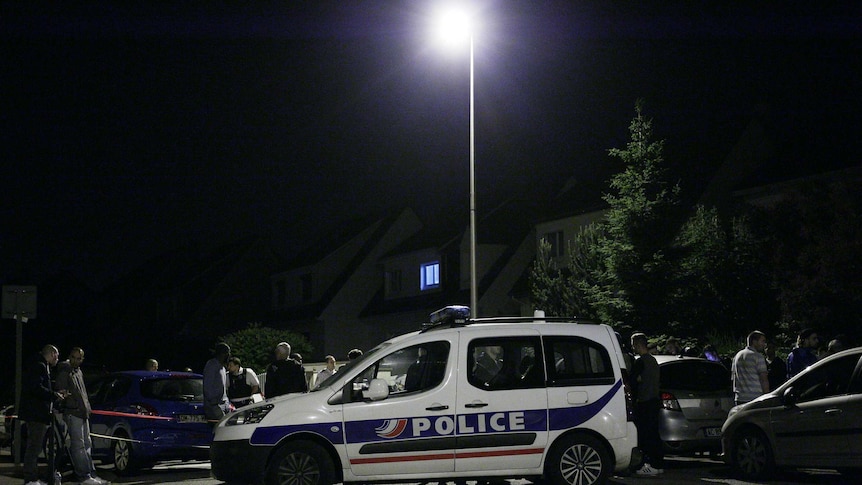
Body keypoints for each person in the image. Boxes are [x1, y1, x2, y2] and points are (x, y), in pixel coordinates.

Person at [55, 347, 108, 485]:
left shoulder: (78, 371)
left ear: (82, 359)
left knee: (86, 443)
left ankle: (90, 474)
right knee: (79, 445)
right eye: (73, 357)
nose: (76, 360)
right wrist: (70, 405)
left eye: (79, 358)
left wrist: (86, 408)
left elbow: (83, 393)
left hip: (82, 413)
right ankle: (84, 476)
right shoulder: (65, 371)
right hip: (74, 412)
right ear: (70, 356)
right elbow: (61, 392)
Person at [20, 345, 65, 485]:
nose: (58, 358)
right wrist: (53, 395)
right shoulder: (39, 366)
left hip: (37, 413)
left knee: (35, 446)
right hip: (36, 414)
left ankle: (32, 478)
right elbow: (36, 388)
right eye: (57, 355)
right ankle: (31, 479)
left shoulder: (40, 365)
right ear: (52, 354)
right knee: (34, 447)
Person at [630, 333, 664, 476]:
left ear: (637, 344)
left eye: (633, 344)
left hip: (644, 402)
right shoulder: (653, 361)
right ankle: (657, 463)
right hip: (654, 401)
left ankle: (650, 465)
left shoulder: (640, 362)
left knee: (645, 435)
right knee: (654, 434)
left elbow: (632, 382)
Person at [731, 331, 769, 406]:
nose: (764, 345)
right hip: (755, 398)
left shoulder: (737, 356)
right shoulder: (758, 357)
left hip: (740, 398)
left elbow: (733, 377)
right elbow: (763, 379)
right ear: (754, 341)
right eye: (762, 341)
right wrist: (767, 397)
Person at [203, 342, 232, 422]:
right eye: (227, 353)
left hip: (224, 404)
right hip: (215, 405)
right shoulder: (211, 365)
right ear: (222, 353)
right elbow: (208, 385)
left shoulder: (222, 367)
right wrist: (213, 403)